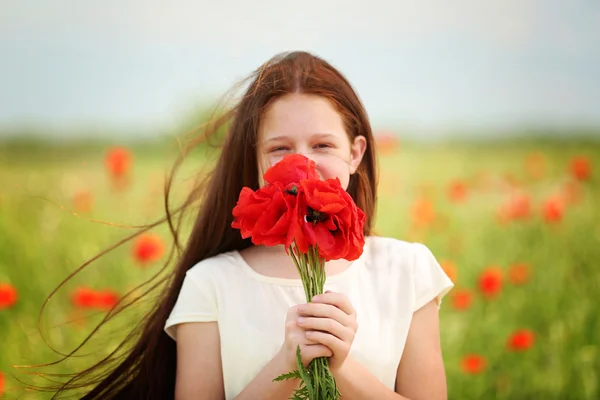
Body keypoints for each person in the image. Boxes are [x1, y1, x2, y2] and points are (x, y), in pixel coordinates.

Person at [44, 51, 454, 400]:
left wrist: (342, 368)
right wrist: (287, 364)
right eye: (280, 149)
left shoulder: (408, 269)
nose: (303, 164)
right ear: (255, 160)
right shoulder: (211, 283)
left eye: (323, 145)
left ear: (355, 153)